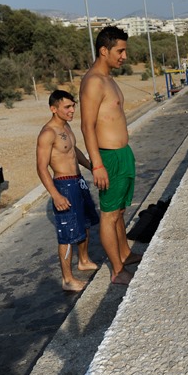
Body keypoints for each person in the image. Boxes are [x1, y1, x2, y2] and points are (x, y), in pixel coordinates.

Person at [80, 26, 141, 285]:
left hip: (123, 154)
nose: (124, 56)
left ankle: (124, 253)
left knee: (120, 209)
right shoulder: (93, 81)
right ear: (103, 51)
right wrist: (97, 165)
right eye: (120, 51)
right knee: (109, 214)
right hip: (109, 157)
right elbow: (87, 125)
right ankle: (117, 271)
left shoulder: (110, 80)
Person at [36, 90, 99, 292]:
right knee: (68, 233)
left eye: (73, 106)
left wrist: (92, 166)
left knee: (86, 223)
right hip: (63, 184)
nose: (72, 110)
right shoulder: (48, 133)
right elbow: (41, 167)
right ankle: (67, 279)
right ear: (53, 109)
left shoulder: (67, 126)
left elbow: (74, 151)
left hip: (78, 180)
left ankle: (83, 260)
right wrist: (55, 195)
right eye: (67, 107)